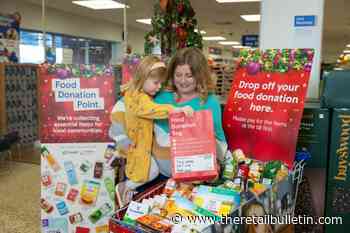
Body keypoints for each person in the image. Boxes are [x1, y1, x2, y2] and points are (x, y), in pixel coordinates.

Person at [112, 56, 193, 207]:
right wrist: (176, 110)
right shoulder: (140, 98)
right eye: (156, 83)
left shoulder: (134, 93)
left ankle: (128, 188)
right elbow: (151, 109)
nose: (158, 87)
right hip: (138, 148)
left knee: (151, 171)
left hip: (142, 146)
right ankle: (126, 187)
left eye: (161, 83)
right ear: (143, 78)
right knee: (149, 172)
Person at [153, 47, 230, 177]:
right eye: (178, 75)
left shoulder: (209, 102)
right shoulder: (160, 96)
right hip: (156, 175)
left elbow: (219, 143)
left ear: (199, 75)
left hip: (192, 178)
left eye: (189, 76)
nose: (182, 81)